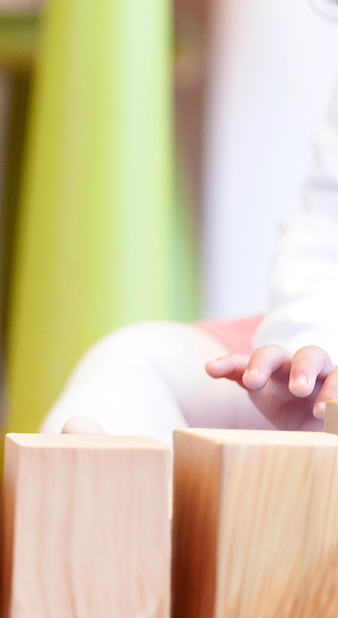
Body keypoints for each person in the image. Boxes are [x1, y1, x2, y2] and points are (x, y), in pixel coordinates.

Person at [41, 86, 338, 444]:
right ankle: (108, 479)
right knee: (135, 358)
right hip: (320, 349)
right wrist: (312, 350)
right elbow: (325, 231)